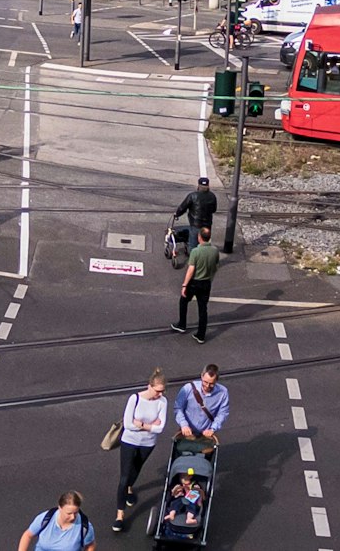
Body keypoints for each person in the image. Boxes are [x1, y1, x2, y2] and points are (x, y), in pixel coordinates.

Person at [113, 368, 168, 531]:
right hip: (129, 441)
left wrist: (141, 425)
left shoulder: (162, 402)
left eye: (162, 391)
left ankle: (130, 488)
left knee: (136, 469)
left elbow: (161, 428)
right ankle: (119, 515)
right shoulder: (135, 398)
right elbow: (128, 424)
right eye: (158, 391)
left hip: (148, 443)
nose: (160, 394)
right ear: (149, 386)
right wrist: (151, 426)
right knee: (124, 476)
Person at [174, 224, 220, 342]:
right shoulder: (215, 251)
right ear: (209, 237)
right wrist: (210, 278)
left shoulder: (195, 251)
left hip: (195, 282)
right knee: (203, 309)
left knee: (184, 301)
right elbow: (215, 267)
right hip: (206, 283)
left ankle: (182, 325)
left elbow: (191, 269)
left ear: (200, 237)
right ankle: (201, 335)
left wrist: (184, 284)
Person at [171, 364, 229, 451]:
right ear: (201, 376)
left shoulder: (223, 393)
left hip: (206, 434)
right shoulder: (188, 388)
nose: (207, 386)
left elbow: (223, 413)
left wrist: (213, 428)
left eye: (211, 384)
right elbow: (178, 408)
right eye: (205, 382)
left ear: (216, 381)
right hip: (186, 432)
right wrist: (184, 425)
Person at [18, 490, 95, 550]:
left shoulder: (85, 527)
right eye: (69, 513)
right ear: (60, 508)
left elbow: (90, 546)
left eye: (76, 513)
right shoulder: (45, 518)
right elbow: (27, 535)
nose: (73, 517)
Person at [170, 176, 217, 253]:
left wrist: (177, 214)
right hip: (207, 225)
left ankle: (193, 261)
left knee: (193, 246)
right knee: (205, 244)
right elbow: (214, 210)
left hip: (196, 225)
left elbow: (182, 207)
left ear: (198, 186)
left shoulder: (193, 196)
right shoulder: (212, 196)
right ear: (208, 186)